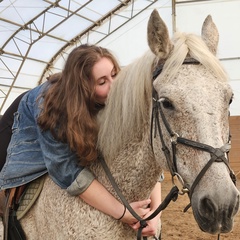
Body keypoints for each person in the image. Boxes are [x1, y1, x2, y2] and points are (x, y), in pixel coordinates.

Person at [0, 44, 161, 237]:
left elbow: (145, 151)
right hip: (24, 118)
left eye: (115, 74)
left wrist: (155, 214)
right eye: (102, 82)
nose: (114, 85)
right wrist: (123, 213)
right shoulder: (51, 106)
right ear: (84, 88)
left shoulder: (119, 94)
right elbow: (66, 170)